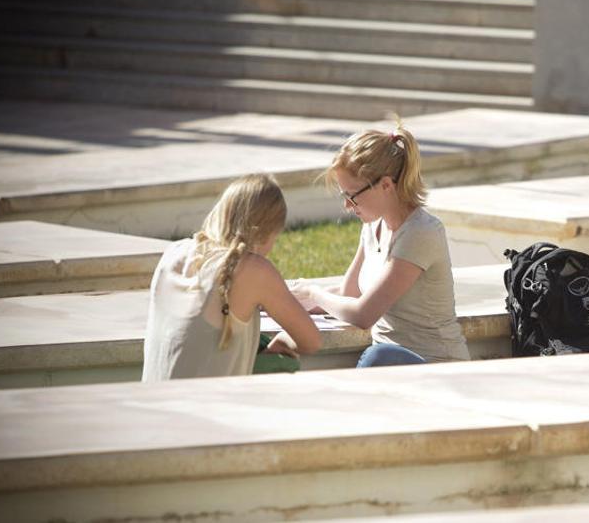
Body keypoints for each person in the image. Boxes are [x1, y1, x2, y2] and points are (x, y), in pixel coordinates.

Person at [290, 120, 468, 367]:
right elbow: (348, 293)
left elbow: (363, 314)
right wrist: (287, 299)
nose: (347, 206)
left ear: (386, 185)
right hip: (390, 362)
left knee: (377, 357)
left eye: (351, 196)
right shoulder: (372, 227)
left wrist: (314, 293)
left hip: (436, 364)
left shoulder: (421, 232)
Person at [143, 174, 322, 381]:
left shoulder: (174, 252)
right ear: (267, 233)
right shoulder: (253, 269)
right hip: (205, 408)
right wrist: (282, 340)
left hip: (150, 402)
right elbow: (311, 341)